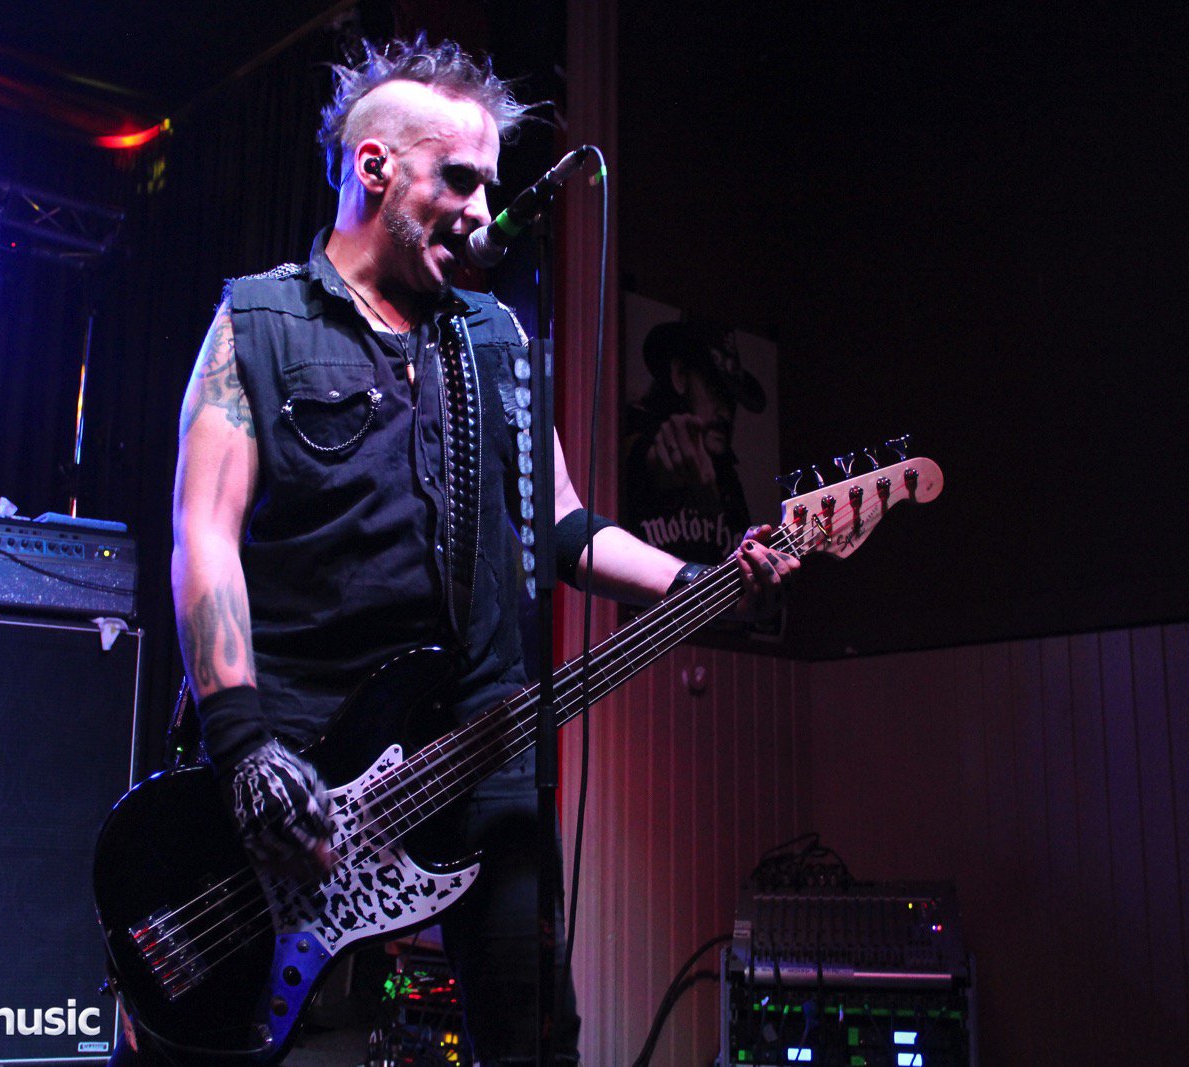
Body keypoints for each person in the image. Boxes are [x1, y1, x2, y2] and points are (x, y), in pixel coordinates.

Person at [169, 35, 799, 1064]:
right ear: (375, 167)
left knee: (534, 1039)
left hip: (481, 740)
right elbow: (205, 531)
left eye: (489, 184)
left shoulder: (493, 336)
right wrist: (243, 742)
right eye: (458, 178)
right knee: (298, 1044)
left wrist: (706, 580)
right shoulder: (260, 321)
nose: (480, 209)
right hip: (307, 758)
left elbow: (562, 524)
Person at [622, 318, 768, 563]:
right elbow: (640, 455)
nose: (725, 413)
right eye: (715, 389)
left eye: (730, 398)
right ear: (680, 376)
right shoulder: (637, 443)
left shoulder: (729, 481)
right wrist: (650, 459)